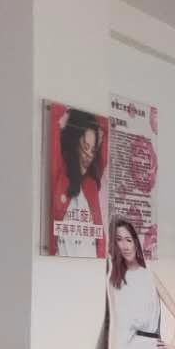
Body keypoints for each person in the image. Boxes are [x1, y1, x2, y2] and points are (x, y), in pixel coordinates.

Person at [100, 219, 175, 349]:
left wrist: (172, 346)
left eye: (129, 239)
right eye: (119, 240)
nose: (125, 245)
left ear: (136, 243)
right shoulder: (114, 280)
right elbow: (115, 326)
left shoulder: (149, 276)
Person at [50, 109, 107, 258]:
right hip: (59, 265)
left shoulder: (92, 182)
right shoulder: (60, 173)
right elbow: (53, 115)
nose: (89, 156)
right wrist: (70, 112)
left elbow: (107, 124)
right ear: (75, 142)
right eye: (85, 147)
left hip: (92, 266)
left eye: (93, 150)